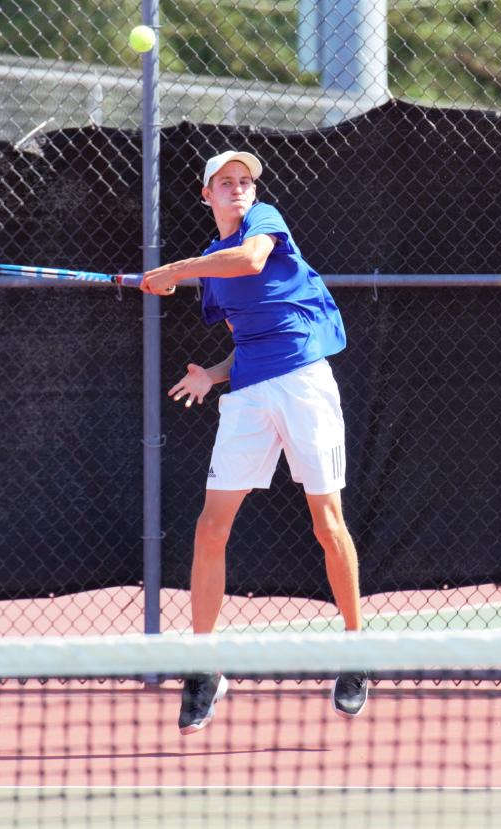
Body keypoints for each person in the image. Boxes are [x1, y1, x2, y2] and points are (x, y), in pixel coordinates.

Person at [140, 150, 367, 735]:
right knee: (210, 527)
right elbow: (247, 340)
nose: (239, 189)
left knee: (326, 522)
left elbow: (248, 259)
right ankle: (206, 666)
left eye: (244, 181)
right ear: (206, 194)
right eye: (226, 183)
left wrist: (176, 270)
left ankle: (357, 648)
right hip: (248, 394)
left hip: (304, 384)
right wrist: (210, 376)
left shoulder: (263, 224)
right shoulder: (215, 273)